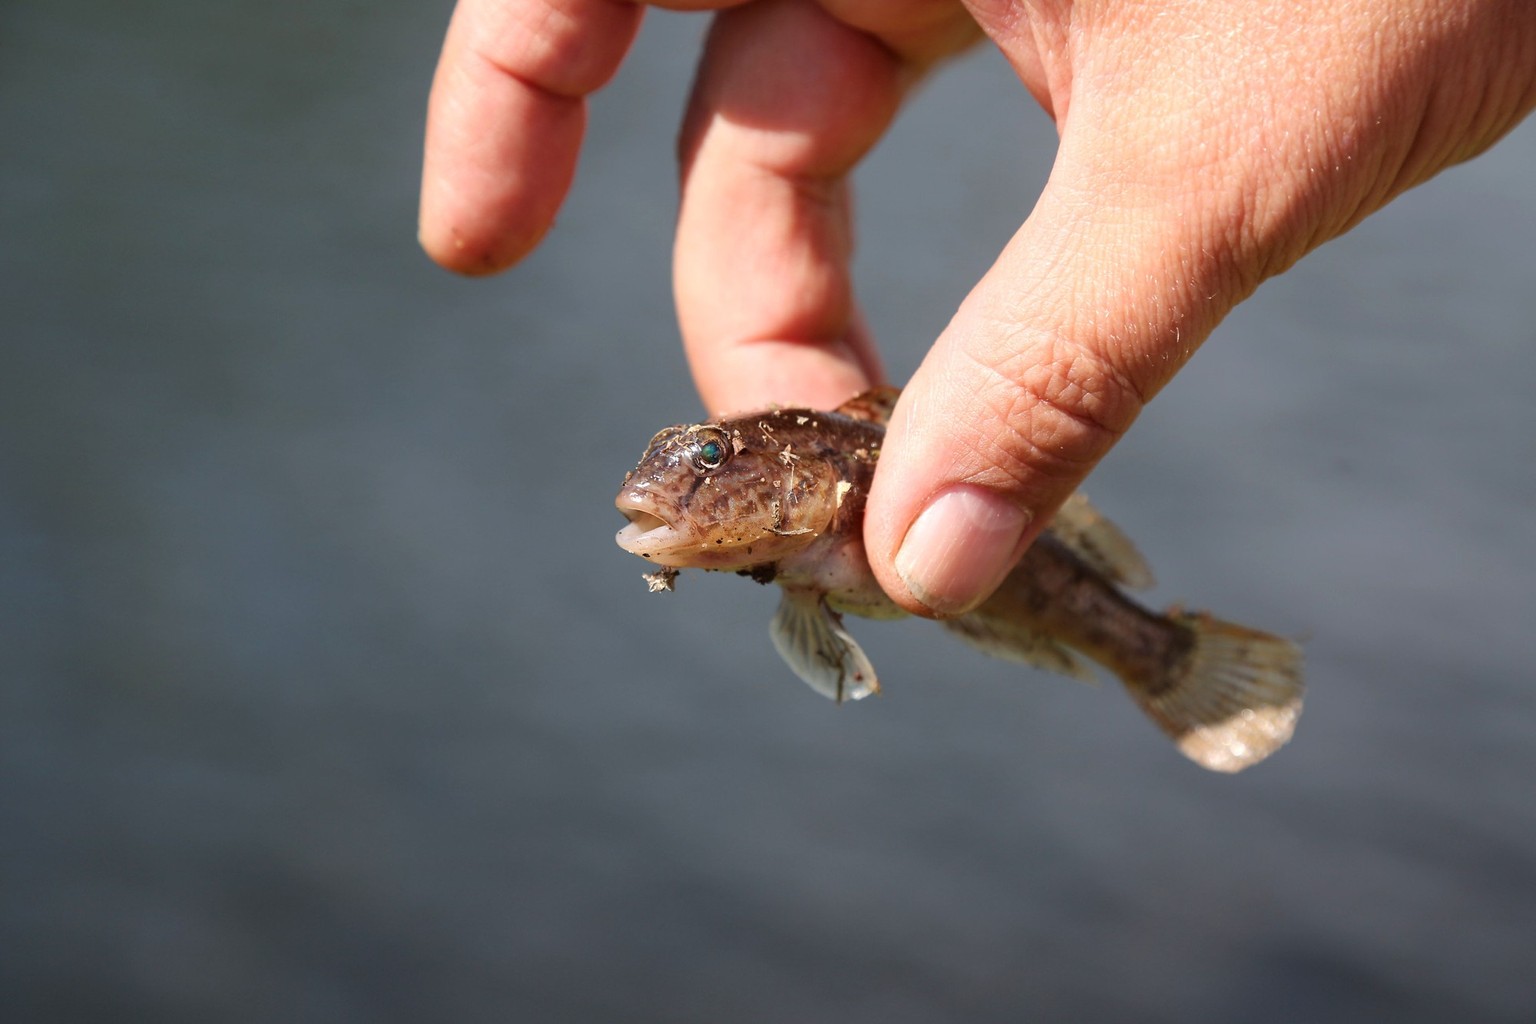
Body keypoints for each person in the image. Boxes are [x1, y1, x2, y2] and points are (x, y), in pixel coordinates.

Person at [419, 0, 1536, 618]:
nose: (678, 481)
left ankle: (1158, 652)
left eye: (708, 459)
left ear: (791, 484)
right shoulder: (793, 520)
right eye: (686, 460)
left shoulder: (826, 489)